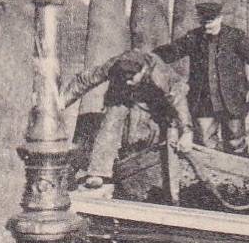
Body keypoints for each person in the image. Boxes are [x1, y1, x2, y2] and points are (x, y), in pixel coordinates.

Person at [59, 48, 190, 192]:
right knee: (111, 121)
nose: (128, 81)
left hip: (157, 98)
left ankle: (154, 171)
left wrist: (187, 131)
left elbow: (178, 100)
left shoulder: (159, 73)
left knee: (160, 130)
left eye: (131, 77)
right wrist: (62, 102)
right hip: (122, 95)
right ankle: (98, 172)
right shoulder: (113, 67)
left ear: (143, 70)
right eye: (124, 77)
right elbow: (85, 80)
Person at [154, 0, 249, 154]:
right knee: (204, 144)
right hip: (203, 101)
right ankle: (208, 176)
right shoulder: (193, 37)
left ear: (220, 18)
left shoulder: (236, 37)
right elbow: (173, 51)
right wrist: (149, 57)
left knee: (235, 143)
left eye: (211, 22)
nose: (207, 26)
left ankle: (239, 173)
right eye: (203, 22)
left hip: (232, 100)